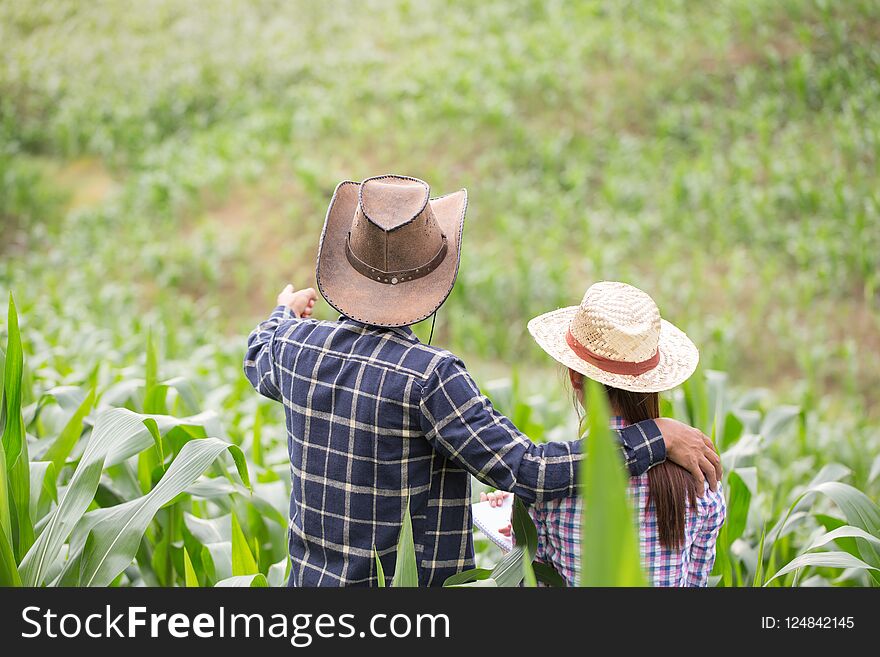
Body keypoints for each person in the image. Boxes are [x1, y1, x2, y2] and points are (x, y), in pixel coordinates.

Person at [243, 174, 721, 586]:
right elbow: (531, 470)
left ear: (349, 265)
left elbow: (257, 354)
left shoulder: (292, 346)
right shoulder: (430, 377)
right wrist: (652, 437)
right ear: (432, 278)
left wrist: (280, 313)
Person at [484, 281, 726, 586]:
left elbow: (537, 580)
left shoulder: (555, 485)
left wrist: (509, 526)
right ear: (654, 382)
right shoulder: (700, 480)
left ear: (575, 377)